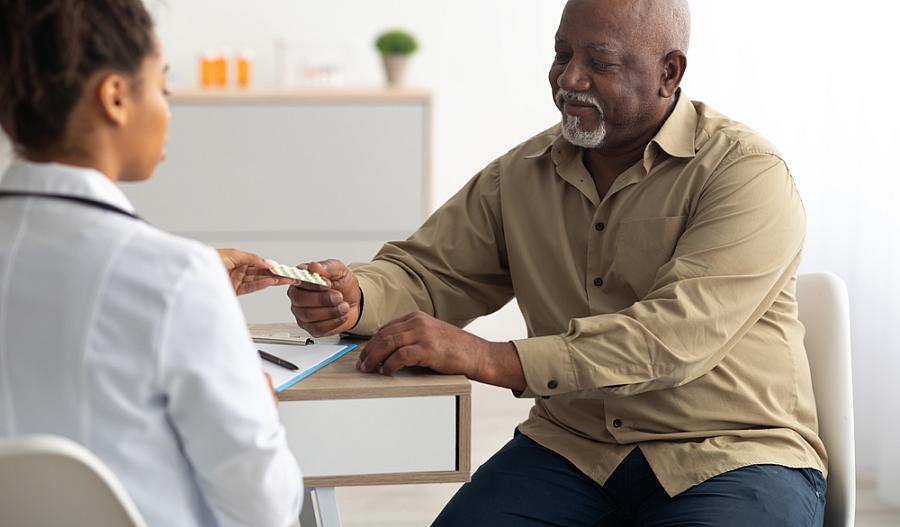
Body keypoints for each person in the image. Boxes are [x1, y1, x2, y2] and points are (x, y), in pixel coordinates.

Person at [287, 0, 828, 525]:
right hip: (574, 449)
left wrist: (491, 358)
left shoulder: (746, 174)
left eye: (599, 61)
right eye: (561, 54)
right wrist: (357, 296)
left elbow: (675, 337)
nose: (569, 79)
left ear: (669, 72)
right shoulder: (521, 173)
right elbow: (431, 272)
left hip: (730, 454)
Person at [0, 1, 302, 525]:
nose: (168, 107)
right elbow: (264, 509)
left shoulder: (178, 277)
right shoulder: (177, 279)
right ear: (115, 97)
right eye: (162, 87)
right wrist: (258, 406)